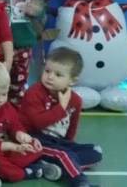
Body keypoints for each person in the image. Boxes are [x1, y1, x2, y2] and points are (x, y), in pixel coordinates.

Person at [0, 59, 62, 183]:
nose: (0, 100)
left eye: (4, 94)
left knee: (34, 146)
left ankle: (29, 165)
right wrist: (12, 146)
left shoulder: (5, 105)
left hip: (3, 147)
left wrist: (20, 134)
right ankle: (26, 172)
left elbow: (14, 124)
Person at [21, 48, 102, 187]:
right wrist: (61, 107)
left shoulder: (75, 100)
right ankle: (80, 182)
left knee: (95, 151)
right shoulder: (34, 93)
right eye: (47, 71)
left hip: (58, 143)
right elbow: (38, 123)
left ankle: (52, 166)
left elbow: (72, 127)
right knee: (64, 155)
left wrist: (69, 144)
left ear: (72, 80)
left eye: (58, 74)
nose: (50, 77)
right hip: (35, 140)